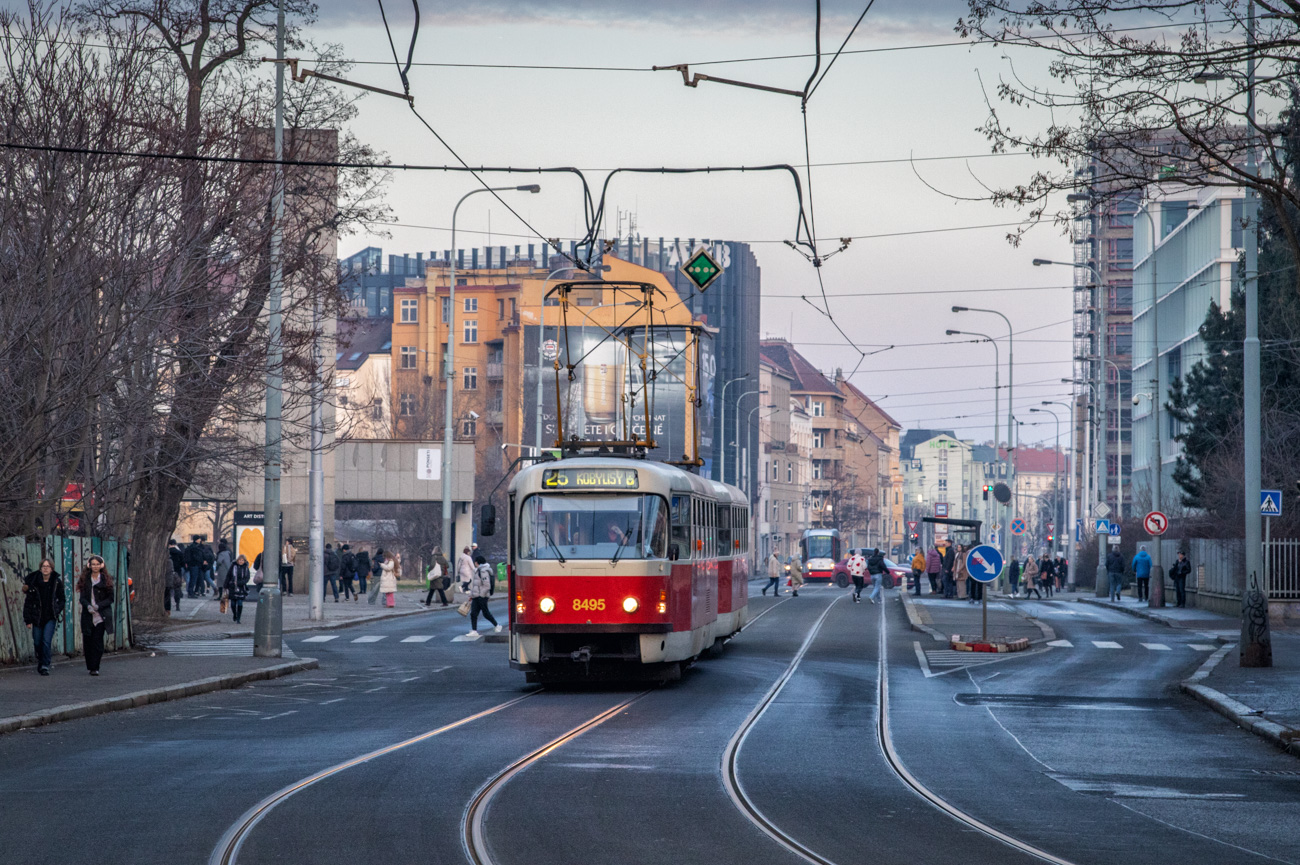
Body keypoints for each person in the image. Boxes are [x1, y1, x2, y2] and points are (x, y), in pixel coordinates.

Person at [22, 558, 66, 675]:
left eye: (48, 566)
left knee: (46, 641)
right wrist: (28, 620)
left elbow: (62, 599)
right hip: (37, 617)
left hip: (50, 617)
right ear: (40, 568)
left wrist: (57, 610)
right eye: (43, 566)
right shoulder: (34, 583)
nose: (45, 568)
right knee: (37, 642)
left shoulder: (56, 582)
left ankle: (45, 665)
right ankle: (41, 660)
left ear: (52, 569)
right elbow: (28, 603)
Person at [78, 555, 114, 676]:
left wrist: (99, 606)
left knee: (97, 641)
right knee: (88, 641)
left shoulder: (106, 580)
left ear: (101, 565)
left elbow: (111, 598)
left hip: (101, 616)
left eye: (97, 564)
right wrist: (88, 606)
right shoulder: (85, 580)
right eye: (93, 564)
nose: (95, 566)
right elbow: (82, 598)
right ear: (89, 565)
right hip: (88, 615)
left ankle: (95, 667)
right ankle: (90, 665)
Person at [466, 554, 501, 636]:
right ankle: (474, 630)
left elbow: (487, 585)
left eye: (475, 562)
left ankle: (497, 625)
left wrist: (481, 595)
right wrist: (471, 595)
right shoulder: (477, 570)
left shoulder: (483, 571)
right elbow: (475, 585)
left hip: (482, 596)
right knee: (473, 614)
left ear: (477, 562)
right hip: (476, 596)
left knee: (485, 613)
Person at [225, 554, 251, 623]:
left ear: (244, 561)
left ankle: (238, 618)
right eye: (240, 560)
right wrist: (226, 585)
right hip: (233, 587)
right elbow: (228, 575)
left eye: (242, 560)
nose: (241, 561)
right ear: (237, 560)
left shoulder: (246, 568)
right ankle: (235, 614)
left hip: (241, 587)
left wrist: (241, 583)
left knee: (240, 603)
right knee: (233, 604)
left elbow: (247, 578)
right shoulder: (233, 566)